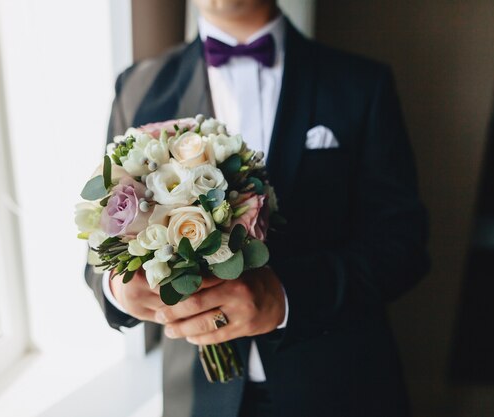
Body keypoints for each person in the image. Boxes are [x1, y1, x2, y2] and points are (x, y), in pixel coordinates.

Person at [85, 1, 430, 416]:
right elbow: (102, 237)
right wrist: (118, 289)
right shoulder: (138, 86)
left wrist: (286, 298)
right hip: (199, 397)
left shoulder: (361, 83)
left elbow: (403, 246)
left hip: (338, 385)